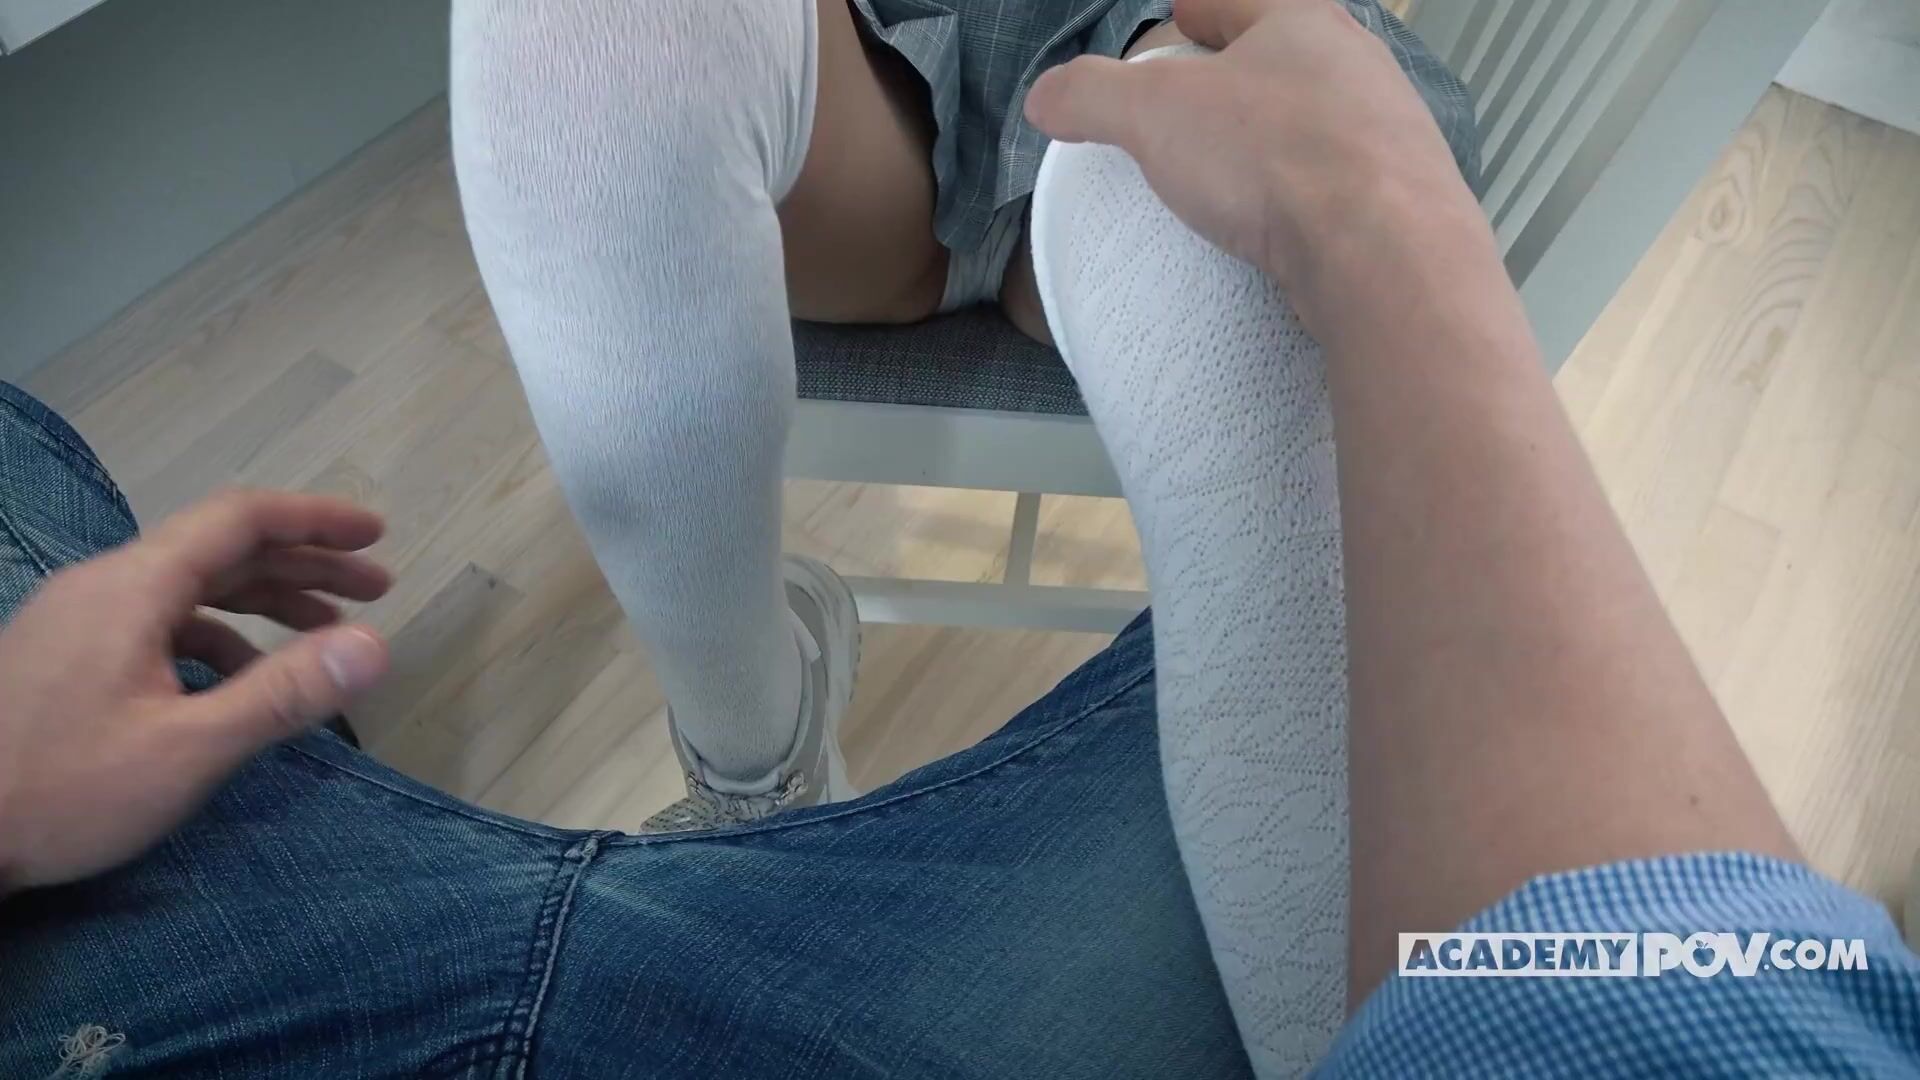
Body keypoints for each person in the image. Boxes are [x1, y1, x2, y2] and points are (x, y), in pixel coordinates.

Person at [2, 1, 1917, 1077]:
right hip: (898, 60)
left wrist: (1374, 224)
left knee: (1223, 265)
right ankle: (752, 763)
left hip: (1173, 53)